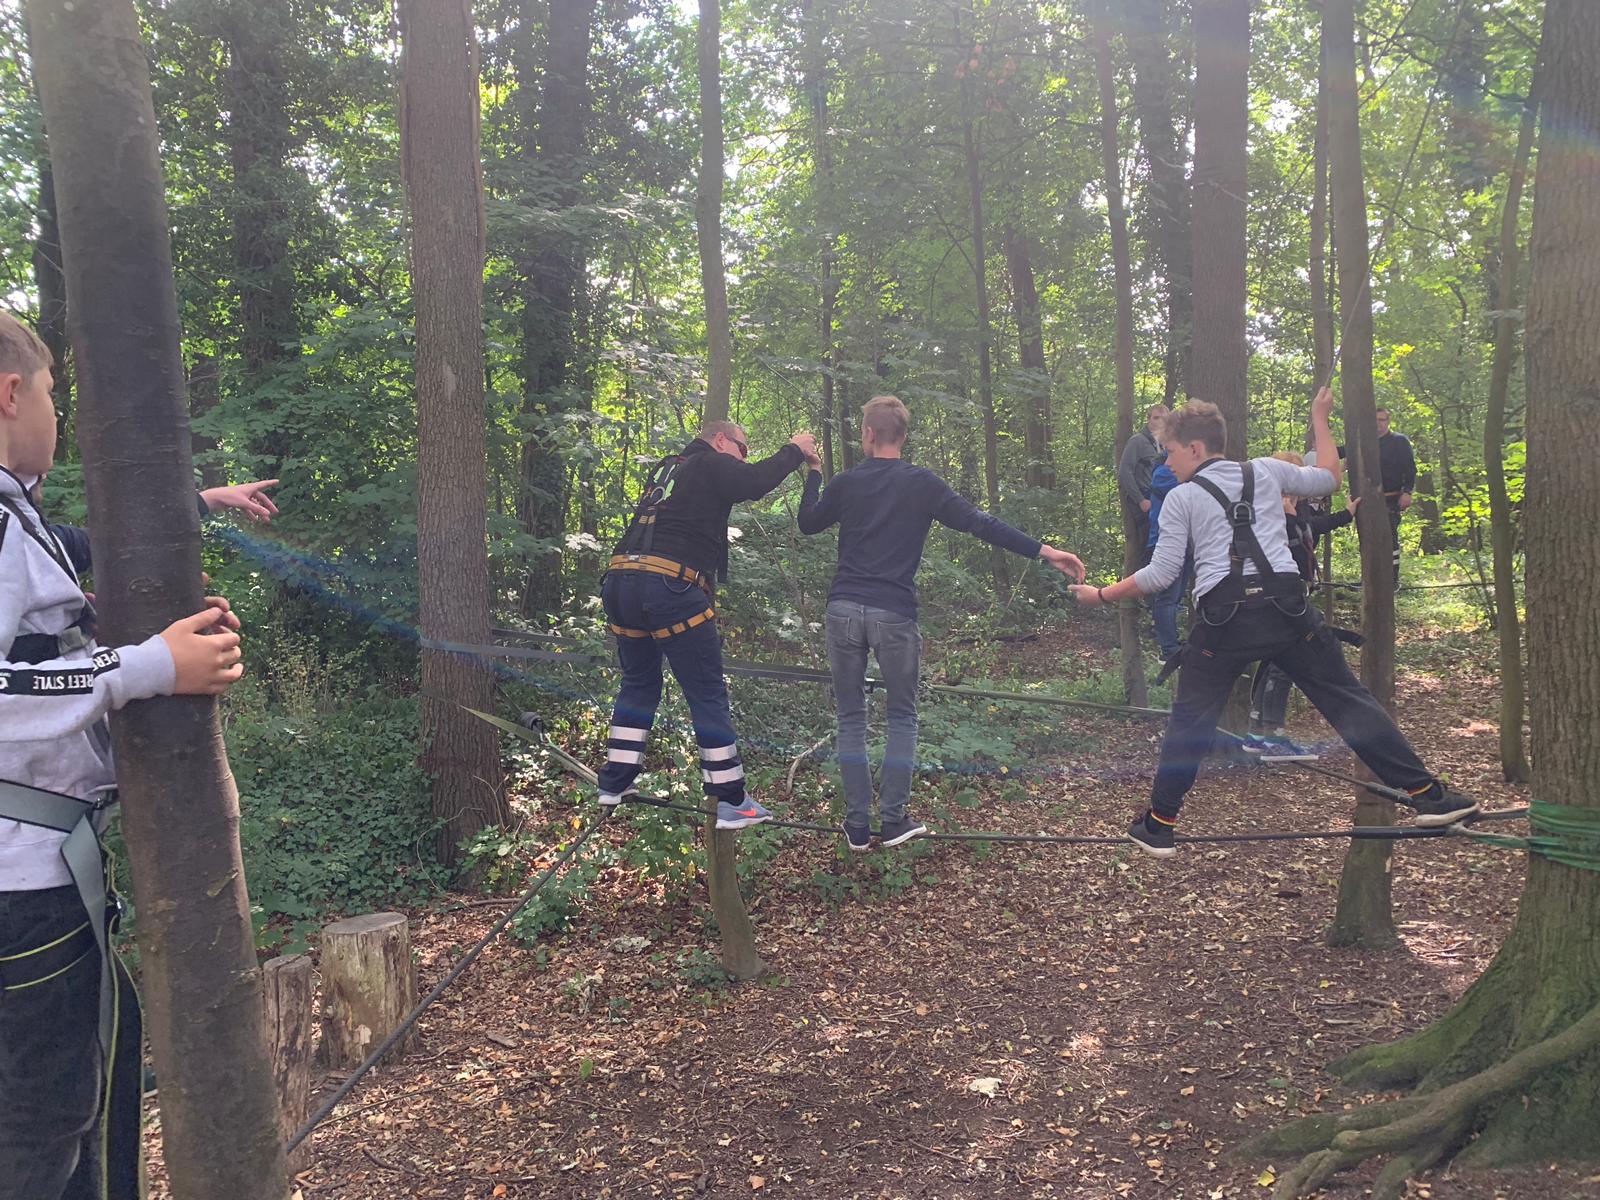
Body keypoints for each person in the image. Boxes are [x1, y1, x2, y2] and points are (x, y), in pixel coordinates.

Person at [0, 311, 245, 1199]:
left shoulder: (16, 517)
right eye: (52, 395)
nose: (56, 416)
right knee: (40, 1135)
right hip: (21, 896)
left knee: (72, 1115)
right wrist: (150, 667)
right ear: (10, 393)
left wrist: (132, 630)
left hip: (36, 881)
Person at [1068, 388, 1478, 858]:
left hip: (1223, 623)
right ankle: (1429, 795)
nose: (1167, 462)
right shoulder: (1266, 470)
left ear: (1195, 449)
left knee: (1190, 722)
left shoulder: (1182, 498)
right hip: (1288, 612)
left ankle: (1159, 825)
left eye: (1172, 452)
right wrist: (1320, 417)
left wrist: (1101, 595)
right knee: (1346, 699)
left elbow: (1161, 574)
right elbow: (1329, 478)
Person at [796, 396, 1085, 851]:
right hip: (894, 613)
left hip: (844, 609)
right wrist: (1045, 551)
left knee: (851, 716)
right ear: (903, 436)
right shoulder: (921, 484)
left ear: (868, 434)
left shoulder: (847, 482)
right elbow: (979, 523)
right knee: (901, 715)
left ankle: (857, 824)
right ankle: (893, 820)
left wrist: (814, 471)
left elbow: (808, 522)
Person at [596, 419, 816, 831]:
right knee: (706, 690)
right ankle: (731, 799)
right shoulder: (710, 462)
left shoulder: (668, 468)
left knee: (639, 683)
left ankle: (615, 782)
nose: (744, 458)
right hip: (668, 585)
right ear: (720, 440)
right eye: (742, 448)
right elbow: (753, 483)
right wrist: (795, 450)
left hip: (620, 584)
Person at [1247, 451, 1358, 747]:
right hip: (1280, 598)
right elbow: (1281, 549)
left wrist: (1346, 514)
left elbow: (1313, 528)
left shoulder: (1299, 509)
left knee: (1275, 662)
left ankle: (1259, 731)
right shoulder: (1270, 510)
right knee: (1285, 665)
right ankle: (1272, 735)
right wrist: (1287, 516)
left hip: (1296, 595)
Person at [1145, 454, 1189, 661]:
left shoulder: (1177, 474)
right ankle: (1169, 648)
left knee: (1176, 597)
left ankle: (1174, 643)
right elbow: (1186, 492)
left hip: (1185, 542)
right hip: (1165, 542)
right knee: (1167, 598)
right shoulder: (1163, 474)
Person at [1117, 404, 1169, 562]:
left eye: (1164, 418)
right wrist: (1140, 500)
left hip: (1160, 501)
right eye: (1156, 418)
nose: (1160, 422)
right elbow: (1125, 471)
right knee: (1148, 547)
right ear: (1148, 419)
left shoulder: (1165, 444)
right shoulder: (1137, 441)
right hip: (1145, 500)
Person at [1375, 408, 1417, 586]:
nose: (1378, 423)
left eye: (1382, 419)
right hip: (1369, 500)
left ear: (1388, 421)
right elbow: (1343, 451)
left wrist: (1407, 492)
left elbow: (1410, 469)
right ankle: (1372, 578)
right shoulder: (1366, 442)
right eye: (1375, 420)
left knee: (1389, 538)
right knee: (1371, 540)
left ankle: (1392, 580)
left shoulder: (1399, 441)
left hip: (1391, 498)